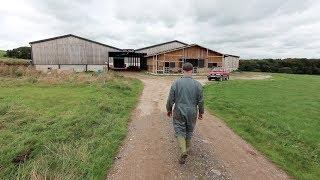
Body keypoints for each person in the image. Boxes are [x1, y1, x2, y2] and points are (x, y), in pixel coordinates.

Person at [166, 62, 204, 164]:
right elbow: (200, 101)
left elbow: (171, 99)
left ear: (182, 70)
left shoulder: (176, 83)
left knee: (179, 130)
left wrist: (169, 109)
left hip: (179, 110)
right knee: (189, 131)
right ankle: (186, 150)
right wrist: (201, 112)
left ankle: (183, 151)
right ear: (192, 71)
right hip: (192, 112)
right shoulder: (198, 85)